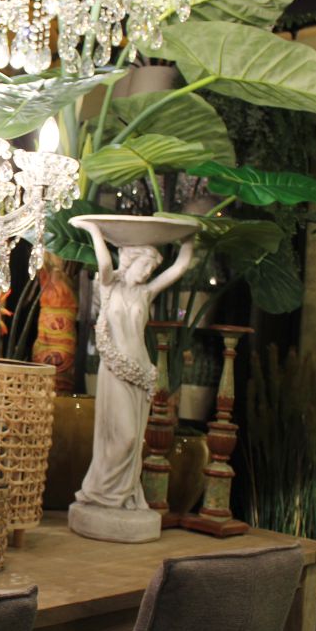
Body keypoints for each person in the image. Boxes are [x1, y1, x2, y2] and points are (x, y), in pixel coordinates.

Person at [74, 220, 194, 514]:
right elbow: (104, 264)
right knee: (123, 436)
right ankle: (102, 493)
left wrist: (190, 235)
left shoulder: (146, 293)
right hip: (116, 369)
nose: (147, 273)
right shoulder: (109, 287)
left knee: (133, 439)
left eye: (151, 270)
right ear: (129, 262)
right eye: (144, 266)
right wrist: (93, 230)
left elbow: (180, 267)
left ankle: (122, 494)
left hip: (140, 371)